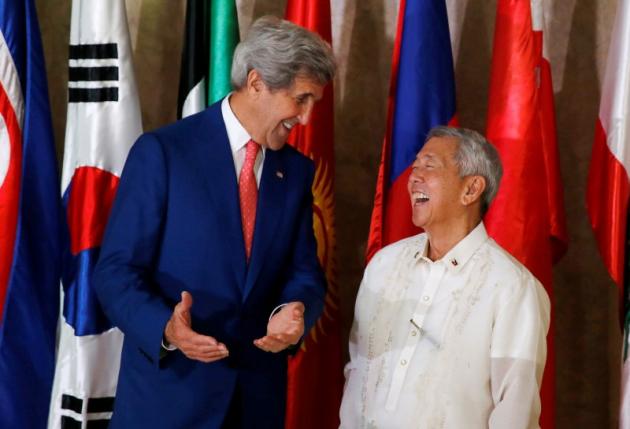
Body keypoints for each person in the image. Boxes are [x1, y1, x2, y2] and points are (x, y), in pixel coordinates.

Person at [93, 16, 334, 429]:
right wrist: (166, 328)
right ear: (256, 83)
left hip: (255, 403)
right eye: (301, 99)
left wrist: (295, 309)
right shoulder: (164, 153)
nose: (307, 119)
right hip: (168, 401)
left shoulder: (294, 172)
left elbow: (304, 273)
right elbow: (115, 272)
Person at [339, 126, 550, 428]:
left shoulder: (513, 288)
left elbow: (515, 410)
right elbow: (358, 371)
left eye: (430, 165)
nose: (414, 177)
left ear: (471, 189)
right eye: (415, 166)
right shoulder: (384, 265)